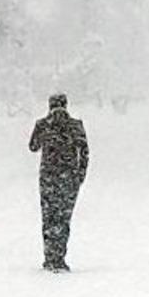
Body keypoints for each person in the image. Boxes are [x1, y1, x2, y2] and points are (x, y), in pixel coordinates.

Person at [29, 93, 89, 272]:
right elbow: (85, 152)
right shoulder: (76, 125)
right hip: (69, 179)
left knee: (48, 218)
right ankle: (60, 257)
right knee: (63, 218)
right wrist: (80, 175)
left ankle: (49, 258)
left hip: (48, 178)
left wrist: (45, 130)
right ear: (66, 105)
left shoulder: (42, 125)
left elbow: (33, 147)